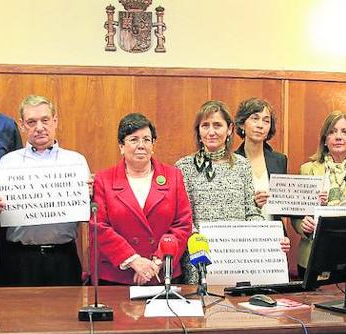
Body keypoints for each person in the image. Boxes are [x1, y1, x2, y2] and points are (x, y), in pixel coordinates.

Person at [176, 100, 290, 283]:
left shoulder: (242, 165)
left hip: (238, 259)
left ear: (229, 129)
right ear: (198, 131)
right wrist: (199, 245)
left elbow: (251, 212)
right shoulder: (184, 167)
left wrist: (271, 238)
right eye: (205, 125)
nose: (211, 131)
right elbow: (184, 219)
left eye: (217, 125)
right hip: (200, 259)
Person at [0, 95, 89, 286]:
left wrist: (89, 195)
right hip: (20, 258)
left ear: (55, 121)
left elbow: (87, 213)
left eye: (45, 120)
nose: (39, 127)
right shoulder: (8, 162)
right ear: (22, 125)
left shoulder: (76, 161)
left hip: (63, 257)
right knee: (20, 315)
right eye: (32, 122)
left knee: (65, 315)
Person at [91, 113, 193, 285]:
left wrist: (157, 263)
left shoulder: (173, 176)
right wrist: (134, 261)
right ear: (121, 146)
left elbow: (182, 225)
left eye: (147, 139)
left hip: (162, 275)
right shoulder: (103, 179)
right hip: (118, 277)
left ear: (153, 145)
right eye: (133, 139)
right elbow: (99, 227)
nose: (141, 145)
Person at [293, 111, 346, 277]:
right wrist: (303, 225)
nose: (338, 137)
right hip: (314, 256)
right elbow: (296, 215)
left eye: (345, 132)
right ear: (325, 140)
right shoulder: (308, 169)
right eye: (332, 132)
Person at [234, 97, 288, 220]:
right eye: (255, 118)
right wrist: (253, 205)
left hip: (275, 234)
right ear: (242, 124)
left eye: (266, 121)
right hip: (243, 233)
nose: (260, 125)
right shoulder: (232, 162)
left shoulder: (279, 160)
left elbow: (285, 204)